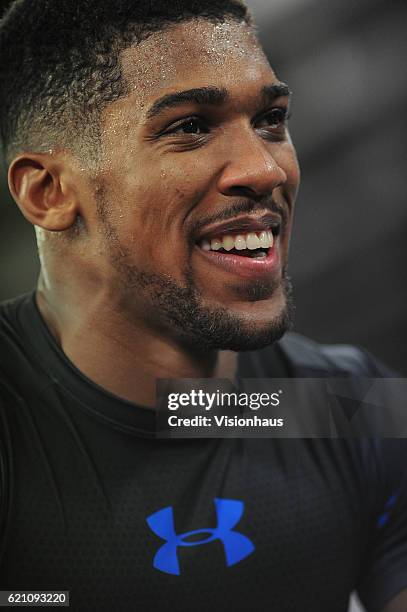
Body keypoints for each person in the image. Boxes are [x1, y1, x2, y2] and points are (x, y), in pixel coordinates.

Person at [0, 1, 406, 610]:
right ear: (50, 191)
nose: (265, 169)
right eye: (190, 126)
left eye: (271, 119)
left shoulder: (347, 406)